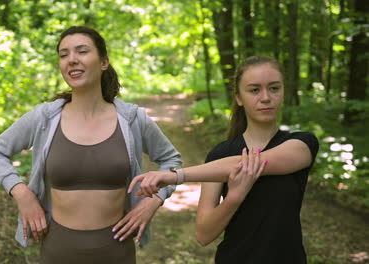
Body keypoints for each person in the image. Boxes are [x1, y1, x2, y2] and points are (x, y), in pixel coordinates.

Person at [0, 26, 181, 264]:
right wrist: (21, 192)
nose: (72, 60)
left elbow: (172, 161)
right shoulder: (44, 118)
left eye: (82, 51)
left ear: (104, 62)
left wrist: (153, 200)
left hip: (116, 252)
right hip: (58, 251)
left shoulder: (132, 119)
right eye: (64, 54)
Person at [129, 56, 319, 264]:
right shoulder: (220, 155)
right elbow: (204, 234)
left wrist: (175, 176)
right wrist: (234, 197)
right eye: (254, 90)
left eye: (274, 88)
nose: (266, 97)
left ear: (283, 92)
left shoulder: (301, 144)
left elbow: (252, 164)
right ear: (238, 98)